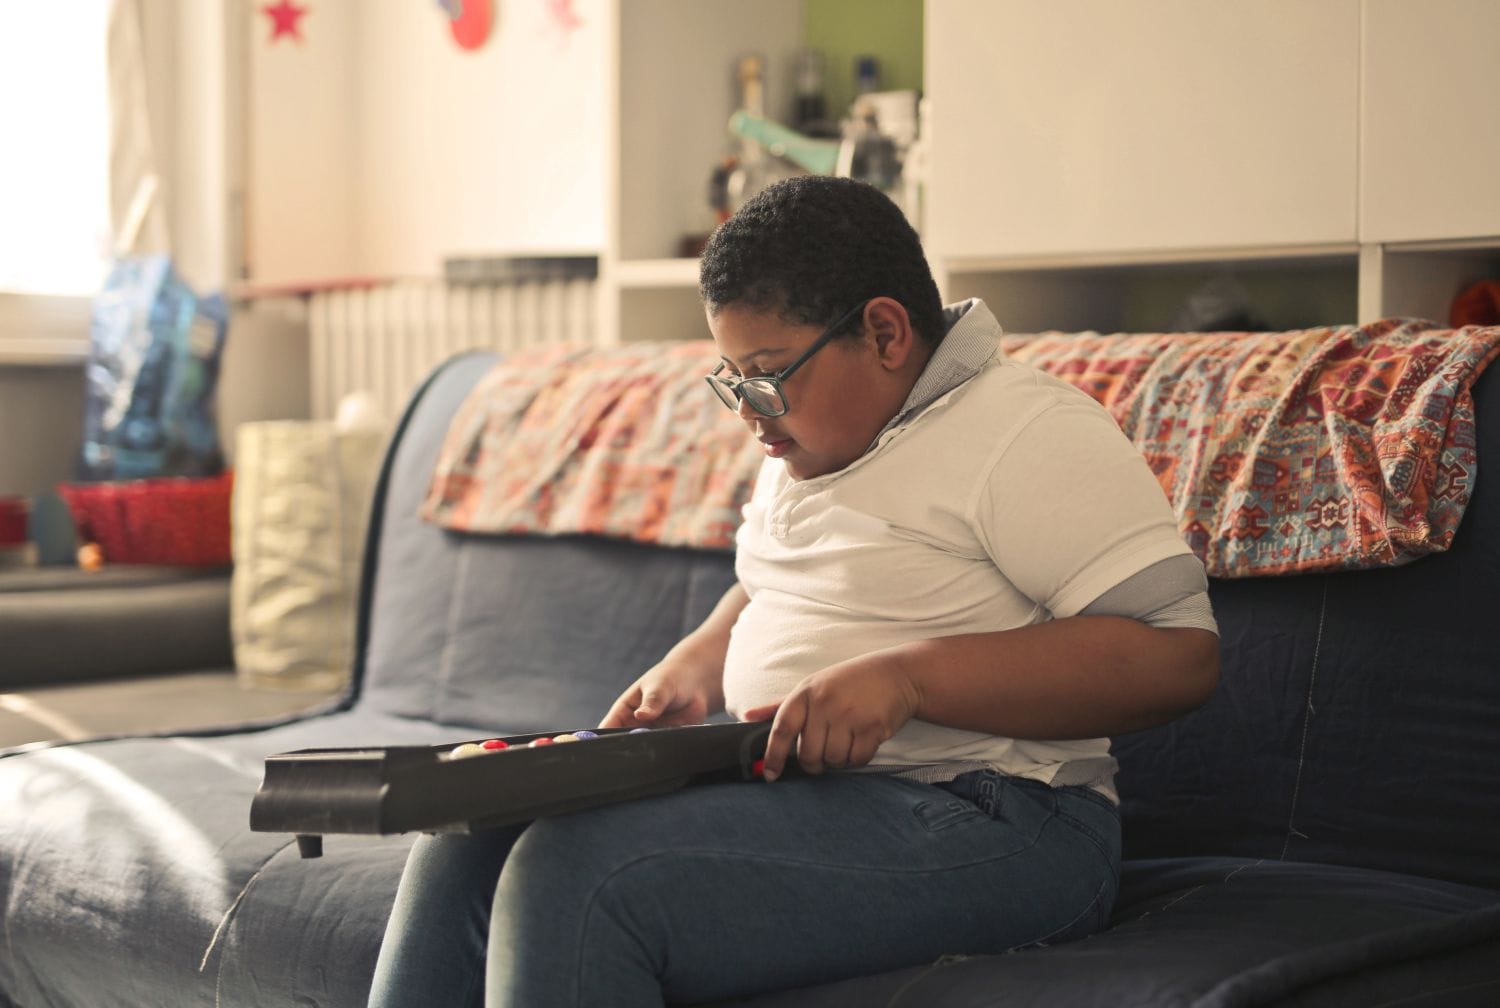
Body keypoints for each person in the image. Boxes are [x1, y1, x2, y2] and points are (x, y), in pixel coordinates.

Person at [366, 176, 1219, 1008]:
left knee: (579, 880)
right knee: (465, 847)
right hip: (809, 794)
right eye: (732, 379)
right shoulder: (812, 434)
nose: (747, 410)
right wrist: (700, 656)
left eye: (766, 375)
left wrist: (908, 679)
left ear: (885, 333)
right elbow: (778, 582)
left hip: (1007, 817)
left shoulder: (1028, 432)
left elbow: (1176, 655)